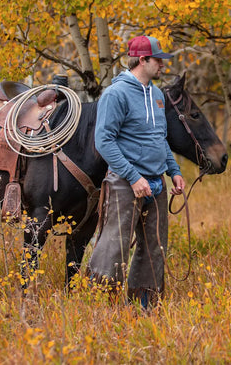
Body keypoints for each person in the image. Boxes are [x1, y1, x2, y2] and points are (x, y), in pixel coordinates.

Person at [87, 35, 186, 309]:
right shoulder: (115, 94)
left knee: (155, 245)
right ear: (142, 60)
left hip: (156, 183)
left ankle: (145, 303)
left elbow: (160, 137)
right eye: (158, 60)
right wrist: (133, 177)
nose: (163, 65)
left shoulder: (156, 94)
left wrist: (173, 170)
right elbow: (104, 141)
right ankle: (100, 305)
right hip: (124, 183)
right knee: (114, 245)